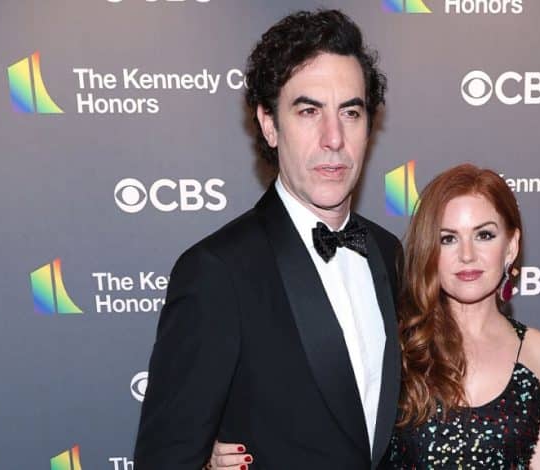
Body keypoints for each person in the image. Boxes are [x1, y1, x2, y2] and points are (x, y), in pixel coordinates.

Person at [134, 10, 402, 470]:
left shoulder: (388, 253)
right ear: (269, 124)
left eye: (351, 113)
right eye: (308, 111)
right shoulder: (217, 272)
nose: (333, 138)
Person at [211, 164, 540, 469]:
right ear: (429, 249)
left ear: (511, 246)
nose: (467, 255)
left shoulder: (535, 350)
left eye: (484, 235)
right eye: (448, 239)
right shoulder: (397, 339)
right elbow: (309, 412)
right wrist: (224, 452)